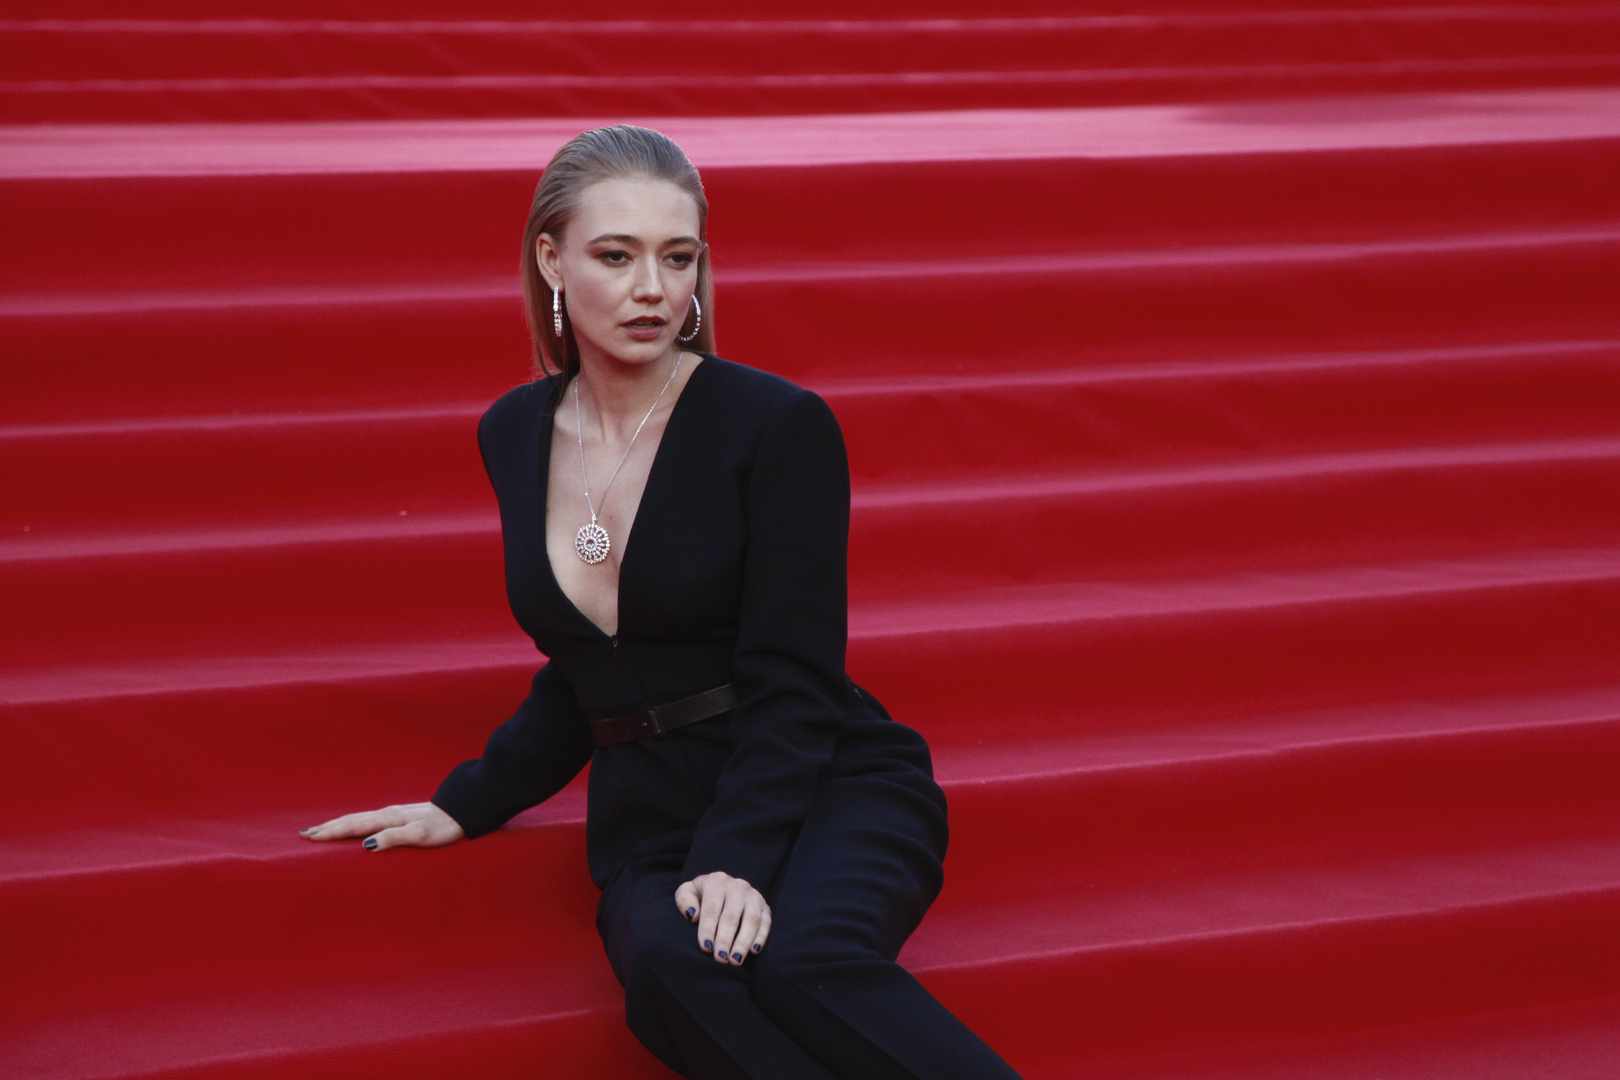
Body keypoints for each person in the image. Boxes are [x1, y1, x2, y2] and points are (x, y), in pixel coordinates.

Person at [299, 124, 1022, 1080]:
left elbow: (796, 678)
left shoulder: (777, 425)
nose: (652, 287)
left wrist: (736, 857)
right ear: (551, 260)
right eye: (616, 255)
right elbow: (589, 664)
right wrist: (468, 802)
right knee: (675, 976)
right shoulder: (514, 432)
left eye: (677, 258)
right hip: (652, 810)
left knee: (805, 964)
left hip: (818, 779)